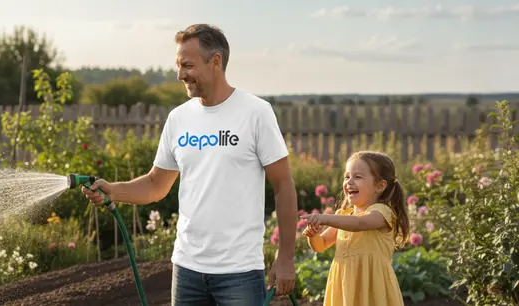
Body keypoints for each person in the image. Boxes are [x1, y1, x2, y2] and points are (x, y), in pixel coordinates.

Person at [81, 23, 298, 305]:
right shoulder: (179, 118)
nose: (180, 74)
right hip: (187, 271)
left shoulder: (256, 113)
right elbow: (156, 184)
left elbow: (283, 186)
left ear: (215, 62)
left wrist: (285, 258)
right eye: (178, 65)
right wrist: (113, 190)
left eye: (187, 65)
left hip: (240, 272)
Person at [301, 151, 410, 305]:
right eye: (347, 176)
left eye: (357, 177)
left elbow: (360, 224)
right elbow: (321, 245)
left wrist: (324, 218)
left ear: (380, 186)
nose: (349, 182)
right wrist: (312, 236)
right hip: (345, 287)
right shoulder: (342, 216)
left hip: (372, 288)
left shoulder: (382, 212)